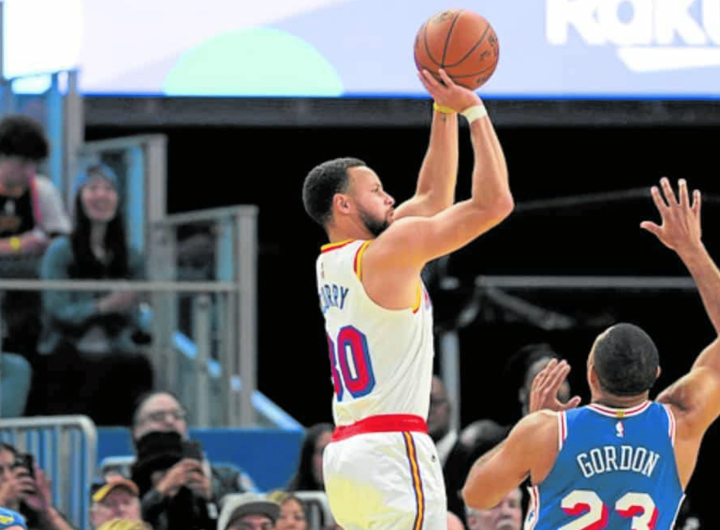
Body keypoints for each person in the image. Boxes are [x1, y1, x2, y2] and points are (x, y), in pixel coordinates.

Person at [302, 67, 513, 529]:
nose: (390, 197)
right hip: (391, 450)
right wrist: (474, 111)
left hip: (348, 456)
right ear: (343, 205)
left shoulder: (334, 261)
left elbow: (433, 197)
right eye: (376, 191)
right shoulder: (388, 251)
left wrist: (442, 108)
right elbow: (495, 204)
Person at [462, 178, 720, 530]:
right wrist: (692, 248)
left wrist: (528, 428)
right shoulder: (682, 423)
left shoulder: (546, 431)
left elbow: (475, 496)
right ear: (657, 374)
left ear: (591, 373)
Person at [36, 163, 153, 426]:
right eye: (93, 188)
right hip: (68, 346)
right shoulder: (61, 251)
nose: (101, 195)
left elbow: (140, 305)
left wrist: (130, 303)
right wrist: (102, 306)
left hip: (117, 345)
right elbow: (56, 308)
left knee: (138, 368)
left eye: (108, 189)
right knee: (74, 372)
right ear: (79, 197)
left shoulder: (130, 254)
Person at [131, 391, 257, 497]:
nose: (170, 421)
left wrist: (212, 495)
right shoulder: (123, 481)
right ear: (136, 430)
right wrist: (159, 493)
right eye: (158, 416)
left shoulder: (227, 478)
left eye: (177, 415)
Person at [0, 443, 77, 530]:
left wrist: (47, 511)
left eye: (12, 468)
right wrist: (4, 505)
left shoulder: (30, 512)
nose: (8, 476)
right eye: (0, 471)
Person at [286, 423, 333, 492]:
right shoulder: (292, 498)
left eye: (335, 452)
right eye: (323, 452)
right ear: (308, 458)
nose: (330, 460)